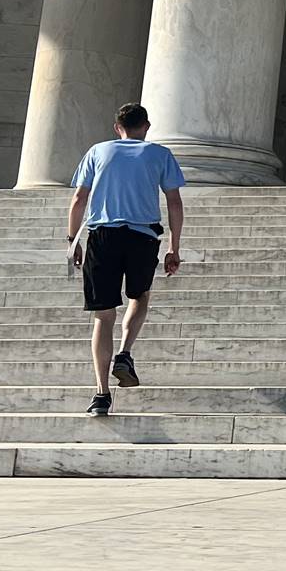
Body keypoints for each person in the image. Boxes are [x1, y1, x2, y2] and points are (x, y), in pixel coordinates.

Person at [66, 103, 185, 417]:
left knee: (103, 316)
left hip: (102, 236)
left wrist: (73, 240)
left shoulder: (98, 151)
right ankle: (125, 352)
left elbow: (79, 198)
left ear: (116, 127)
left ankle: (101, 394)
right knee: (139, 295)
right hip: (142, 236)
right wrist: (174, 247)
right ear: (145, 126)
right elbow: (174, 202)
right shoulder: (160, 154)